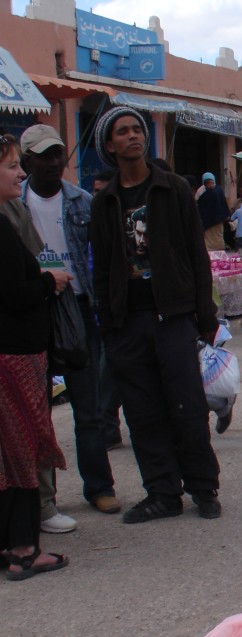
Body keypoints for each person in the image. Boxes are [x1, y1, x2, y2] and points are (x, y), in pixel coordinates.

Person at [90, 105, 222, 523]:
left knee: (188, 405)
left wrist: (205, 314)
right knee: (143, 412)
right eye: (123, 132)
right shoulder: (105, 201)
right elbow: (102, 264)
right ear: (109, 146)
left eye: (137, 129)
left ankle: (203, 488)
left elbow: (196, 255)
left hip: (174, 316)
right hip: (128, 322)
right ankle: (162, 493)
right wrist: (108, 326)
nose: (133, 136)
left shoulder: (173, 189)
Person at [18, 124, 122, 525]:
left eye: (58, 153)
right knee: (36, 411)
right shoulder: (14, 205)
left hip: (77, 310)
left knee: (89, 407)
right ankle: (44, 499)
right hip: (34, 311)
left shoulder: (82, 202)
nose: (54, 162)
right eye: (44, 156)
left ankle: (99, 487)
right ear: (28, 162)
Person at [0, 132, 71, 580]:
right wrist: (50, 282)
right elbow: (12, 293)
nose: (20, 174)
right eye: (10, 166)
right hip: (15, 356)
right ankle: (24, 548)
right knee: (21, 451)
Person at [195, 172, 231, 251]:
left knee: (218, 240)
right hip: (207, 223)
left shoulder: (217, 190)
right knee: (208, 242)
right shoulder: (201, 191)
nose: (210, 185)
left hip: (216, 222)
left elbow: (222, 203)